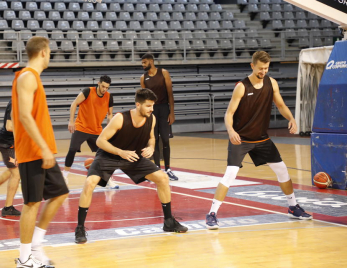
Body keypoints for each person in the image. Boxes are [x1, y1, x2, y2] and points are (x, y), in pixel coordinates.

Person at [205, 51, 312, 230]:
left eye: (266, 68)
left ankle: (293, 207)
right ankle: (212, 213)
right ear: (252, 65)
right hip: (241, 138)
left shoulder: (271, 83)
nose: (263, 71)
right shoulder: (241, 86)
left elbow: (281, 105)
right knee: (230, 174)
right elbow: (229, 113)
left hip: (262, 139)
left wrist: (291, 119)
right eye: (261, 68)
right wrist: (230, 130)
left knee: (283, 171)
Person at [74, 88, 188, 244]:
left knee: (162, 178)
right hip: (109, 155)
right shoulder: (120, 118)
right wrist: (120, 152)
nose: (151, 109)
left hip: (132, 156)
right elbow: (100, 141)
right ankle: (80, 227)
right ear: (138, 105)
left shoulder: (151, 119)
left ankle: (168, 221)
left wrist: (151, 147)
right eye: (148, 106)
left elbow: (151, 138)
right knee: (89, 183)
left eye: (152, 106)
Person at [11, 36, 69, 268]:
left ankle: (35, 247)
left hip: (40, 150)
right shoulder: (26, 76)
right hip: (33, 150)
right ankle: (24, 260)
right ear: (44, 52)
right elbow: (24, 116)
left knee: (60, 193)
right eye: (50, 51)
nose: (50, 55)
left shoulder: (33, 78)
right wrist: (43, 148)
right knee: (31, 203)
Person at [62, 75, 118, 189]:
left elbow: (110, 115)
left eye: (107, 88)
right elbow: (74, 104)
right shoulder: (88, 91)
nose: (104, 89)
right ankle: (65, 176)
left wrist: (109, 129)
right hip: (81, 127)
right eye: (103, 86)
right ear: (98, 83)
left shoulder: (109, 97)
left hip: (96, 130)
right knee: (72, 149)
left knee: (105, 154)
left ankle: (108, 179)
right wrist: (71, 121)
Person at [140, 54, 178, 181]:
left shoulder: (164, 73)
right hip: (151, 111)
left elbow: (170, 93)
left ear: (151, 61)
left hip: (164, 109)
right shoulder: (143, 78)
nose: (143, 65)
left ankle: (168, 169)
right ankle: (156, 168)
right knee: (154, 140)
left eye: (145, 62)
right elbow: (144, 99)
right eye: (142, 63)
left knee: (165, 140)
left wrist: (171, 112)